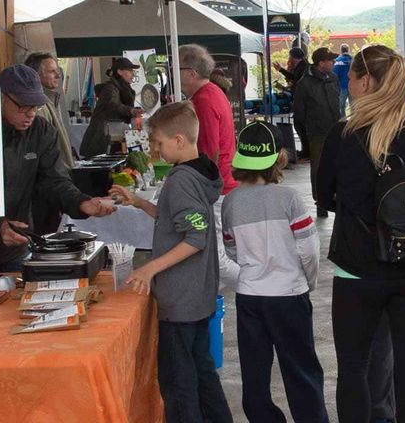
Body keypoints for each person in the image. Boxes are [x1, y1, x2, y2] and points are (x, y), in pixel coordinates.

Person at [317, 45, 405, 423]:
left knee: (354, 368)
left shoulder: (343, 135)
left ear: (365, 81)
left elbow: (322, 195)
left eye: (353, 78)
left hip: (358, 269)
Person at [109, 101, 233, 423]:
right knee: (202, 369)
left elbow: (195, 236)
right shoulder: (200, 171)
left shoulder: (180, 181)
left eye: (158, 143)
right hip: (198, 295)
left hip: (180, 299)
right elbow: (175, 218)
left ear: (179, 140)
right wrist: (137, 202)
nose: (155, 149)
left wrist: (149, 268)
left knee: (178, 382)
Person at [0, 65, 114, 295]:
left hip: (17, 244)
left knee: (28, 305)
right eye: (23, 105)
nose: (30, 113)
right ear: (0, 96)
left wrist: (81, 202)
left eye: (35, 105)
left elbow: (54, 180)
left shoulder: (41, 131)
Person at [221, 121, 328, 423]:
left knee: (254, 376)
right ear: (277, 158)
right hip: (289, 296)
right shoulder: (290, 199)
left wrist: (248, 277)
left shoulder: (230, 203)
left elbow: (232, 252)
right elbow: (309, 251)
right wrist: (308, 282)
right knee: (302, 372)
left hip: (250, 299)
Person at [25, 51, 76, 234]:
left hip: (55, 182)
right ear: (36, 75)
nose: (58, 75)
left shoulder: (50, 100)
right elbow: (42, 153)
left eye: (58, 70)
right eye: (52, 71)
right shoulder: (39, 108)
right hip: (45, 188)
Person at [178, 44, 239, 196]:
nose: (173, 74)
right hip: (221, 180)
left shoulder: (204, 101)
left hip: (217, 186)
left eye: (177, 69)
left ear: (192, 73)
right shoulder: (211, 91)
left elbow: (209, 151)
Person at [295, 47, 341, 218]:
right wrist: (305, 138)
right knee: (318, 168)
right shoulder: (305, 84)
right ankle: (320, 202)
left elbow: (338, 103)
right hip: (317, 132)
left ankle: (335, 197)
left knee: (337, 165)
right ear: (321, 63)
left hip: (335, 129)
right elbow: (299, 114)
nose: (333, 62)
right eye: (330, 60)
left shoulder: (333, 78)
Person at [79, 56, 141, 157]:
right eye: (130, 70)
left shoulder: (121, 89)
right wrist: (131, 111)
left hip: (109, 138)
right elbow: (113, 105)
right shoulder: (110, 89)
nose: (132, 74)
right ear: (120, 72)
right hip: (101, 139)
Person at [333, 44, 353, 117]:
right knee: (353, 107)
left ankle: (343, 122)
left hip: (341, 87)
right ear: (348, 50)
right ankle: (353, 123)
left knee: (341, 107)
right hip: (353, 87)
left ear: (341, 50)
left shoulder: (337, 61)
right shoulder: (353, 60)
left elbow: (334, 75)